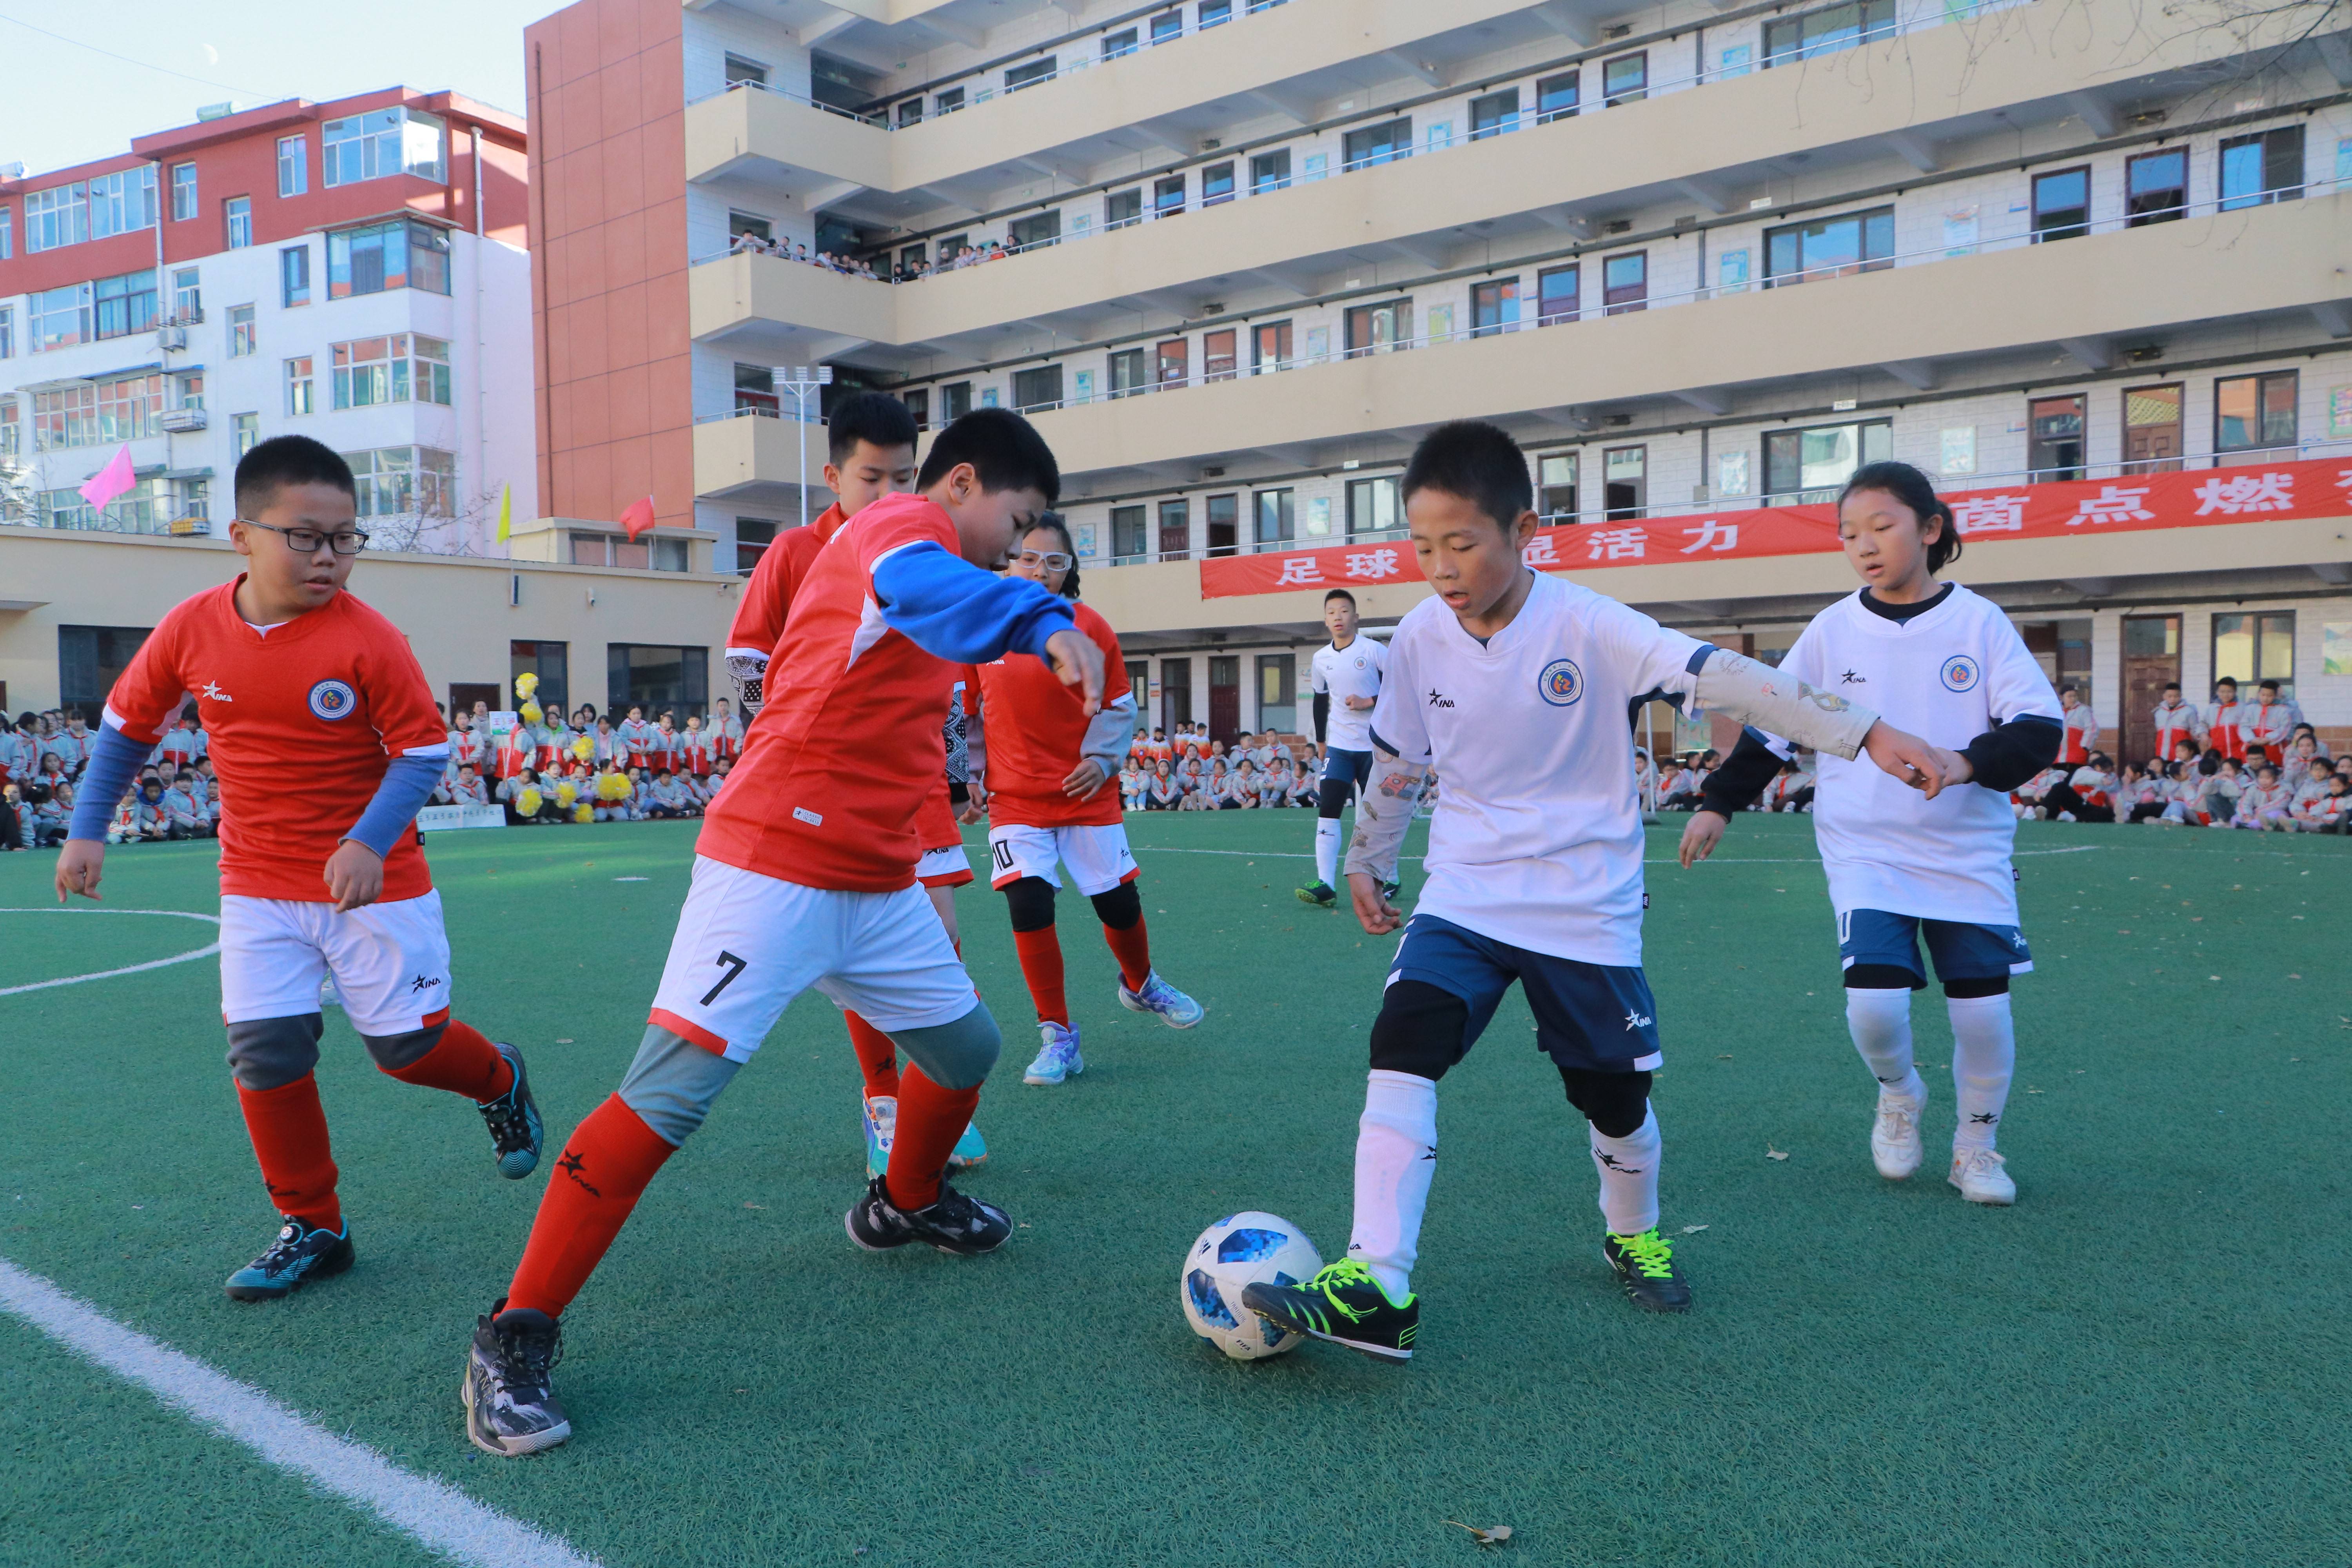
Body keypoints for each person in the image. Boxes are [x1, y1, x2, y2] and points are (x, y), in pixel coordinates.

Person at [462, 407, 1105, 1456]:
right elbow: (922, 592)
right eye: (1019, 519)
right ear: (964, 485)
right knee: (667, 1098)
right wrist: (1037, 621)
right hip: (773, 862)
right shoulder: (906, 528)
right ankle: (514, 1333)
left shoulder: (934, 549)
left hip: (876, 874)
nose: (1022, 546)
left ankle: (904, 1202)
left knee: (969, 1051)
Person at [1243, 423, 1948, 1357]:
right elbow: (1401, 758)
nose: (1442, 568)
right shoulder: (1413, 637)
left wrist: (1863, 730)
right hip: (1466, 889)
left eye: (1463, 543)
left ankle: (1632, 1231)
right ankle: (1379, 1275)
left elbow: (1721, 675)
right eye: (1422, 546)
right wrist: (1370, 854)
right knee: (1402, 1041)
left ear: (1523, 528)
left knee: (1611, 1098)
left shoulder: (1589, 624)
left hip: (1585, 903)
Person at [52, 435, 542, 1303]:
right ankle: (316, 1224)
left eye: (345, 537)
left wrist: (364, 839)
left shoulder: (369, 639)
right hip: (256, 883)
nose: (328, 556)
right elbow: (129, 725)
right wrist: (89, 826)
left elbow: (424, 752)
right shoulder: (191, 626)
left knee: (409, 1049)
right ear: (242, 534)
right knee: (267, 1052)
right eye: (306, 536)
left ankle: (499, 1074)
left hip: (375, 881)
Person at [1683, 461, 2058, 1206]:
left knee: (1983, 1013)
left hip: (1966, 850)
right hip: (1866, 850)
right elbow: (1777, 726)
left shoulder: (1979, 623)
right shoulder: (1832, 629)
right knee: (1876, 1007)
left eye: (1881, 527)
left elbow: (2039, 730)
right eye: (1849, 534)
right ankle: (1899, 1093)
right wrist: (1718, 801)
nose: (1864, 545)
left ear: (1930, 528)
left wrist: (1963, 762)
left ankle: (1976, 1148)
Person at [717, 392, 984, 1176]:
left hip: (914, 779)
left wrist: (957, 766)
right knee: (855, 945)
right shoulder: (795, 552)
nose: (890, 494)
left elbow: (952, 676)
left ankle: (936, 1093)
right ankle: (884, 1102)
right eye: (873, 477)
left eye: (906, 477)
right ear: (835, 475)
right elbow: (746, 661)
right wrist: (787, 745)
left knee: (936, 938)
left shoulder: (930, 546)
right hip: (822, 784)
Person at [965, 513, 1203, 1090]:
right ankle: (1058, 1035)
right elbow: (965, 709)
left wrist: (1101, 761)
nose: (1040, 570)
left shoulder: (1089, 626)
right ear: (1008, 561)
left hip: (1087, 793)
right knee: (1028, 905)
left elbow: (1119, 704)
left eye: (1055, 561)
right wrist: (966, 775)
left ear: (1070, 571)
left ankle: (1141, 983)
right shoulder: (980, 627)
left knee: (1117, 905)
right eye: (1028, 558)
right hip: (1014, 801)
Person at [1296, 588, 1390, 907]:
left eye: (1344, 611)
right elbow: (1320, 701)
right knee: (1328, 809)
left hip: (1376, 747)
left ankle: (1389, 877)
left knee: (1378, 816)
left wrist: (1369, 702)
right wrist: (1321, 741)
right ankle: (1326, 883)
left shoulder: (1375, 651)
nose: (1338, 617)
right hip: (1339, 747)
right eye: (1332, 612)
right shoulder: (1321, 658)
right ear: (1325, 620)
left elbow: (1404, 688)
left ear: (1356, 617)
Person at [2151, 683, 2199, 762]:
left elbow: (2195, 732)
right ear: (2164, 696)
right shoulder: (2159, 712)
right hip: (2162, 753)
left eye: (2176, 696)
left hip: (2182, 755)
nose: (2173, 699)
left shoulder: (2189, 711)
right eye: (2170, 696)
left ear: (2180, 696)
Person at [2205, 678, 2244, 764]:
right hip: (2217, 752)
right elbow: (2203, 724)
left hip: (2238, 751)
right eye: (2222, 692)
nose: (2226, 695)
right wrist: (2203, 734)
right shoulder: (2211, 708)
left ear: (2235, 692)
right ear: (2217, 692)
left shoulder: (2243, 708)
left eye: (2229, 692)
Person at [2057, 686, 2097, 767]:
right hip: (2058, 756)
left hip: (2077, 755)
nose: (2073, 699)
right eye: (2070, 696)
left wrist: (2085, 746)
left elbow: (2092, 728)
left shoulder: (2083, 710)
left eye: (2075, 696)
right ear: (2062, 697)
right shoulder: (2057, 710)